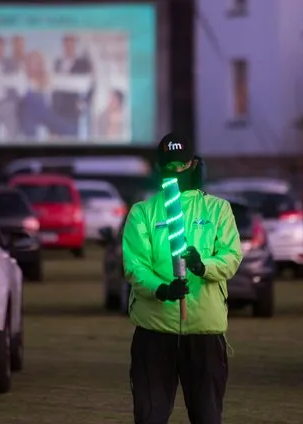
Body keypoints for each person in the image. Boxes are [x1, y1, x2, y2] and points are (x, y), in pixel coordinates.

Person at [122, 133, 243, 424]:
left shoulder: (218, 210)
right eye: (169, 165)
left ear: (194, 164)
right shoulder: (143, 213)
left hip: (204, 333)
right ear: (159, 167)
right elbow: (135, 266)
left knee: (207, 416)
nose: (176, 171)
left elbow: (232, 256)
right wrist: (161, 289)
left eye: (182, 164)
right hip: (154, 333)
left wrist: (202, 266)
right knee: (150, 417)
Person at [18, 51, 78, 139]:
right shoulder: (22, 82)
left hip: (52, 119)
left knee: (71, 129)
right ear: (27, 66)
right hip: (31, 125)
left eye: (40, 62)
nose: (38, 65)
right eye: (35, 62)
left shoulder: (50, 80)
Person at [52, 34, 95, 139]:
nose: (68, 48)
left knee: (72, 141)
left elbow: (92, 85)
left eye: (71, 45)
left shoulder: (83, 63)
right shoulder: (57, 63)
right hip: (58, 110)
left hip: (74, 111)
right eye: (66, 45)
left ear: (75, 46)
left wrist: (84, 103)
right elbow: (54, 85)